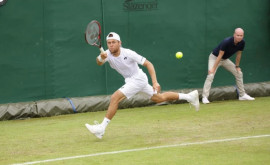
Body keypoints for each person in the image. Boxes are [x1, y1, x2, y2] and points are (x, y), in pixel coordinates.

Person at [85, 32, 200, 139]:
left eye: (114, 42)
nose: (111, 45)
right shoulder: (107, 54)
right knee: (159, 98)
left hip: (138, 79)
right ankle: (190, 97)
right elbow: (99, 62)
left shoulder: (128, 53)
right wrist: (101, 57)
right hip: (131, 81)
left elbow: (148, 64)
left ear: (120, 43)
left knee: (115, 97)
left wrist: (155, 82)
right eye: (109, 43)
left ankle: (101, 128)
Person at [202, 28, 255, 104]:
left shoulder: (242, 42)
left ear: (243, 36)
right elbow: (220, 56)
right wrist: (213, 69)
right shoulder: (226, 41)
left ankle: (242, 95)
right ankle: (205, 97)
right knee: (210, 75)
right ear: (234, 35)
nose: (239, 37)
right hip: (215, 58)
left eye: (241, 35)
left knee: (239, 73)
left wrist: (237, 66)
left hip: (225, 59)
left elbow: (239, 54)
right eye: (238, 35)